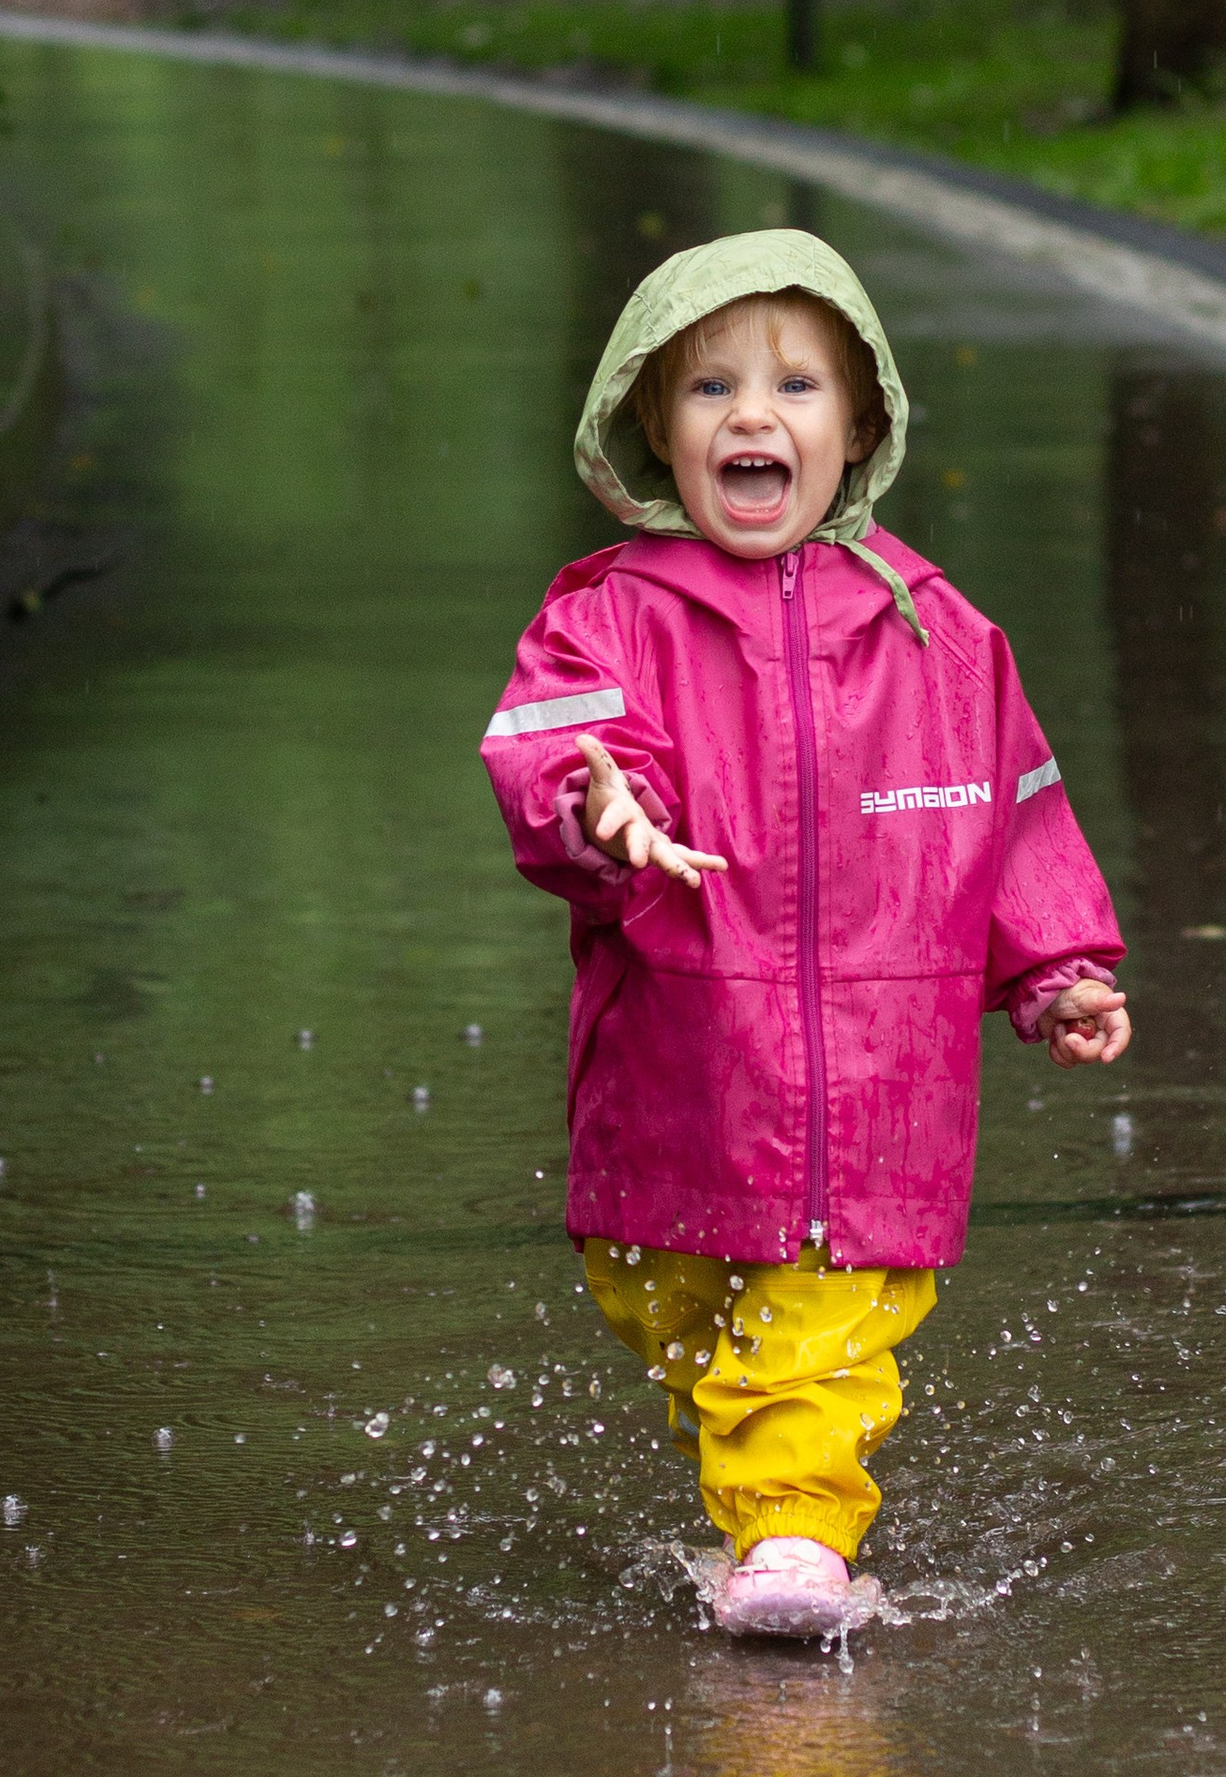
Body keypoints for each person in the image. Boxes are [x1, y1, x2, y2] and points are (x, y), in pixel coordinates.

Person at [480, 231, 1129, 1641]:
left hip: (881, 1096)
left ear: (863, 424)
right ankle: (762, 1501)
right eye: (711, 387)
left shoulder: (939, 634)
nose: (753, 415)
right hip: (680, 1081)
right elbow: (549, 747)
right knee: (698, 1333)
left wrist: (1055, 961)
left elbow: (1013, 811)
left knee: (811, 1344)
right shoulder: (610, 619)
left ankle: (794, 1540)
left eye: (796, 385)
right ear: (655, 425)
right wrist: (599, 801)